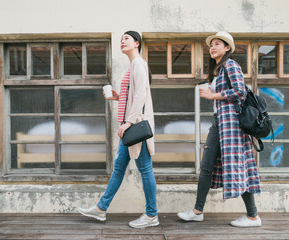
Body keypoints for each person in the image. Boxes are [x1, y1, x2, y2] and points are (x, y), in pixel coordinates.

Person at [177, 31, 262, 227]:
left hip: (232, 126)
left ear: (227, 48)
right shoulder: (218, 69)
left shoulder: (231, 64)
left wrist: (212, 95)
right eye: (211, 45)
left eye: (217, 44)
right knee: (206, 165)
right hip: (220, 123)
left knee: (240, 166)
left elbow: (240, 91)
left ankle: (253, 216)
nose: (212, 47)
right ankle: (197, 211)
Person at [78, 31, 158, 229]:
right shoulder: (133, 66)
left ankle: (151, 215)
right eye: (121, 39)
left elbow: (140, 95)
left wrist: (128, 122)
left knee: (145, 170)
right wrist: (117, 97)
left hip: (134, 128)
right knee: (119, 169)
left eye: (126, 39)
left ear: (137, 43)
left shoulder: (139, 64)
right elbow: (132, 95)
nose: (122, 42)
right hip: (129, 130)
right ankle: (101, 209)